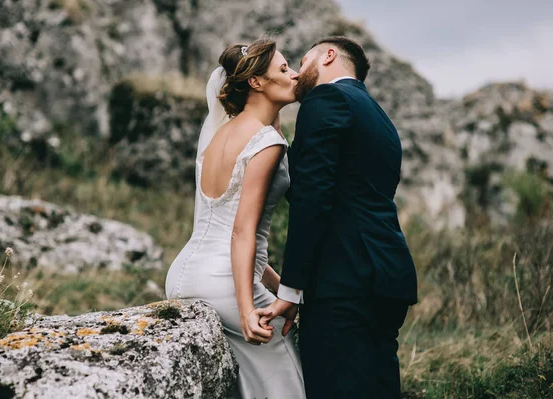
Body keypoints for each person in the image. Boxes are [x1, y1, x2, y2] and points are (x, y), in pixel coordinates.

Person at [262, 36, 418, 399]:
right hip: (388, 276)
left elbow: (312, 199)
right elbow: (345, 189)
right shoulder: (379, 117)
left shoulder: (326, 99)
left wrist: (291, 288)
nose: (298, 73)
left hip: (344, 280)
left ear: (329, 55)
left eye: (304, 60)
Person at [165, 37, 305, 398]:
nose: (296, 75)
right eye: (284, 69)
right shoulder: (266, 142)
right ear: (256, 82)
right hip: (226, 285)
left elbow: (224, 224)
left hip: (183, 276)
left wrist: (280, 287)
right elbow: (242, 230)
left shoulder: (218, 136)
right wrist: (246, 309)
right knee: (287, 383)